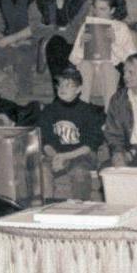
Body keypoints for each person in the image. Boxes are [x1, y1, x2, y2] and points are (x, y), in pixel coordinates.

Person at [35, 66, 106, 200]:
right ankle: (48, 207)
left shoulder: (89, 111)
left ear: (78, 89)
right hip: (55, 155)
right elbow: (45, 140)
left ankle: (80, 208)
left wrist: (65, 156)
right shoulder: (49, 110)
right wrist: (57, 157)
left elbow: (90, 145)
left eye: (68, 85)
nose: (62, 88)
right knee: (43, 169)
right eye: (60, 85)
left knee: (79, 171)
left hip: (80, 155)